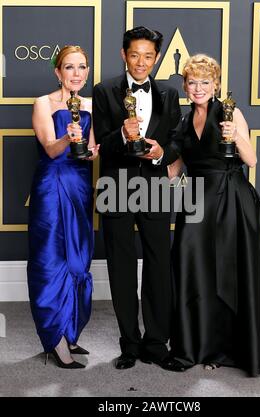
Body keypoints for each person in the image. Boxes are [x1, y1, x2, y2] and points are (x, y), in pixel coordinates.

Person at [167, 54, 260, 376]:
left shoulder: (230, 112)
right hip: (196, 203)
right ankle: (198, 346)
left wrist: (235, 134)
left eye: (205, 82)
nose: (198, 88)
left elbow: (251, 160)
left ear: (216, 84)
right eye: (192, 82)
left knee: (228, 275)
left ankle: (228, 350)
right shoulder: (182, 121)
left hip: (231, 202)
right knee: (194, 271)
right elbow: (174, 170)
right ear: (184, 85)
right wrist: (143, 150)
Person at [92, 26, 185, 372]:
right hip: (116, 186)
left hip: (156, 187)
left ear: (157, 57)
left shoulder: (170, 93)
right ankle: (129, 343)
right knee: (121, 264)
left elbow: (177, 139)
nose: (141, 62)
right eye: (135, 55)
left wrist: (162, 153)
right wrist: (121, 134)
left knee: (159, 264)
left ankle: (157, 344)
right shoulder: (103, 91)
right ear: (123, 55)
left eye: (148, 56)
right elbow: (101, 141)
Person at [27, 45, 99, 369]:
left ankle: (70, 331)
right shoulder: (43, 103)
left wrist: (91, 149)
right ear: (58, 72)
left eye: (81, 67)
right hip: (52, 186)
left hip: (80, 185)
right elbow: (50, 149)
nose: (76, 73)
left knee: (78, 258)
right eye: (69, 67)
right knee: (51, 260)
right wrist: (68, 139)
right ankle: (54, 340)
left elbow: (92, 151)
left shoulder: (91, 105)